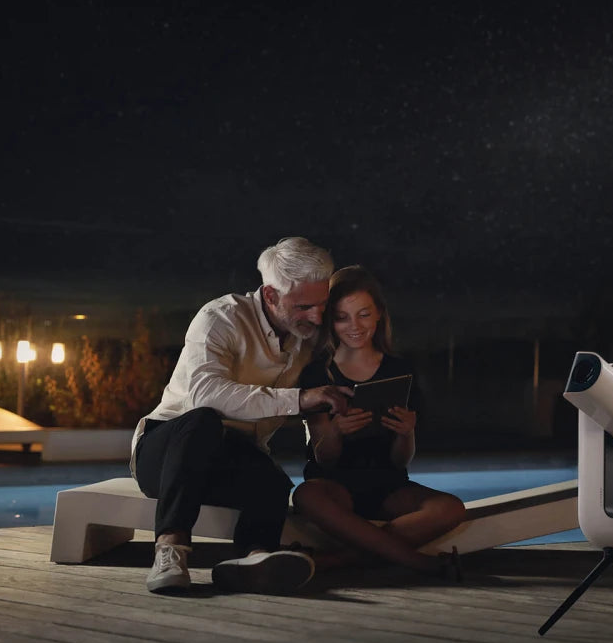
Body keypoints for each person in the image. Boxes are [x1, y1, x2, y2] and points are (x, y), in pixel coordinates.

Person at [132, 236, 352, 596]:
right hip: (167, 449)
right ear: (270, 295)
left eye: (321, 304)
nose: (315, 316)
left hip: (228, 456)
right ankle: (170, 552)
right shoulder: (220, 317)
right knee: (203, 420)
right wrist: (301, 399)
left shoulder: (307, 334)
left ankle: (256, 560)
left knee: (274, 481)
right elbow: (206, 394)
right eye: (302, 306)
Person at [293, 265, 466, 577]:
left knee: (451, 508)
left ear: (379, 315)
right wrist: (334, 432)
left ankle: (331, 561)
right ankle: (420, 563)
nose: (354, 326)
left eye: (363, 314)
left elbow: (400, 461)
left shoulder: (400, 370)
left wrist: (406, 434)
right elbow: (324, 458)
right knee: (305, 495)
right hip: (335, 487)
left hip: (387, 486)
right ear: (331, 321)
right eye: (342, 317)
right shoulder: (318, 374)